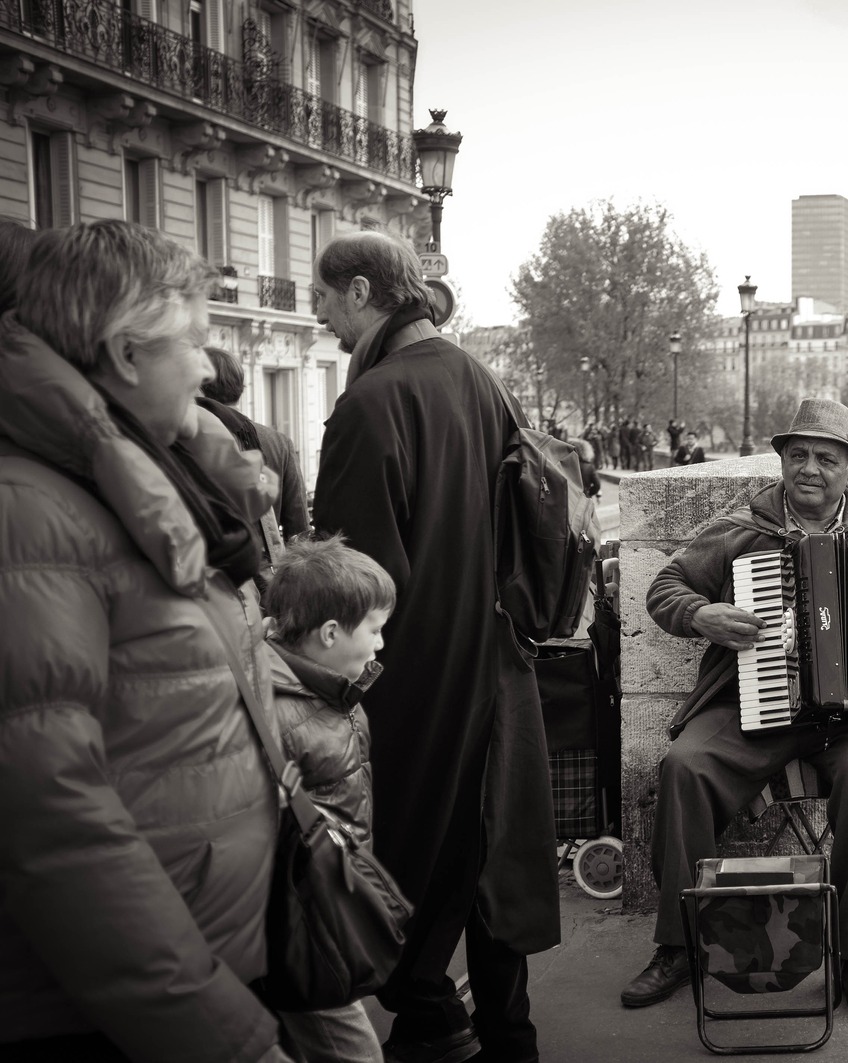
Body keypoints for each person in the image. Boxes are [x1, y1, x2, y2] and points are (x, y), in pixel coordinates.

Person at [0, 219, 291, 1061]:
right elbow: (55, 821)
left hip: (181, 965)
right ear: (126, 355)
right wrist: (222, 1037)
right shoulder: (33, 511)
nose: (206, 367)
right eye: (195, 342)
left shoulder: (132, 475)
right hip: (121, 1014)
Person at [623, 398, 848, 1016]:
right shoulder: (741, 530)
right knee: (684, 766)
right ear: (781, 462)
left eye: (825, 457)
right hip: (749, 704)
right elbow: (664, 589)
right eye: (797, 455)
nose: (808, 468)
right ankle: (678, 945)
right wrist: (701, 614)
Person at [311, 231, 560, 1063]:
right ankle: (507, 1038)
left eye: (322, 297)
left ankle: (432, 1021)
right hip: (498, 669)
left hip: (412, 681)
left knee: (400, 877)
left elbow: (349, 586)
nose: (319, 315)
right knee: (492, 863)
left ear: (357, 290)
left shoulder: (369, 402)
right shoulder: (480, 380)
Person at [262, 535, 394, 1063]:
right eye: (375, 630)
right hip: (301, 921)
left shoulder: (330, 692)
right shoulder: (281, 710)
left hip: (318, 906)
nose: (382, 645)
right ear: (331, 632)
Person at [200, 344, 311, 560]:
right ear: (240, 387)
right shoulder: (279, 442)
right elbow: (298, 528)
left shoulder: (195, 439)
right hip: (269, 574)